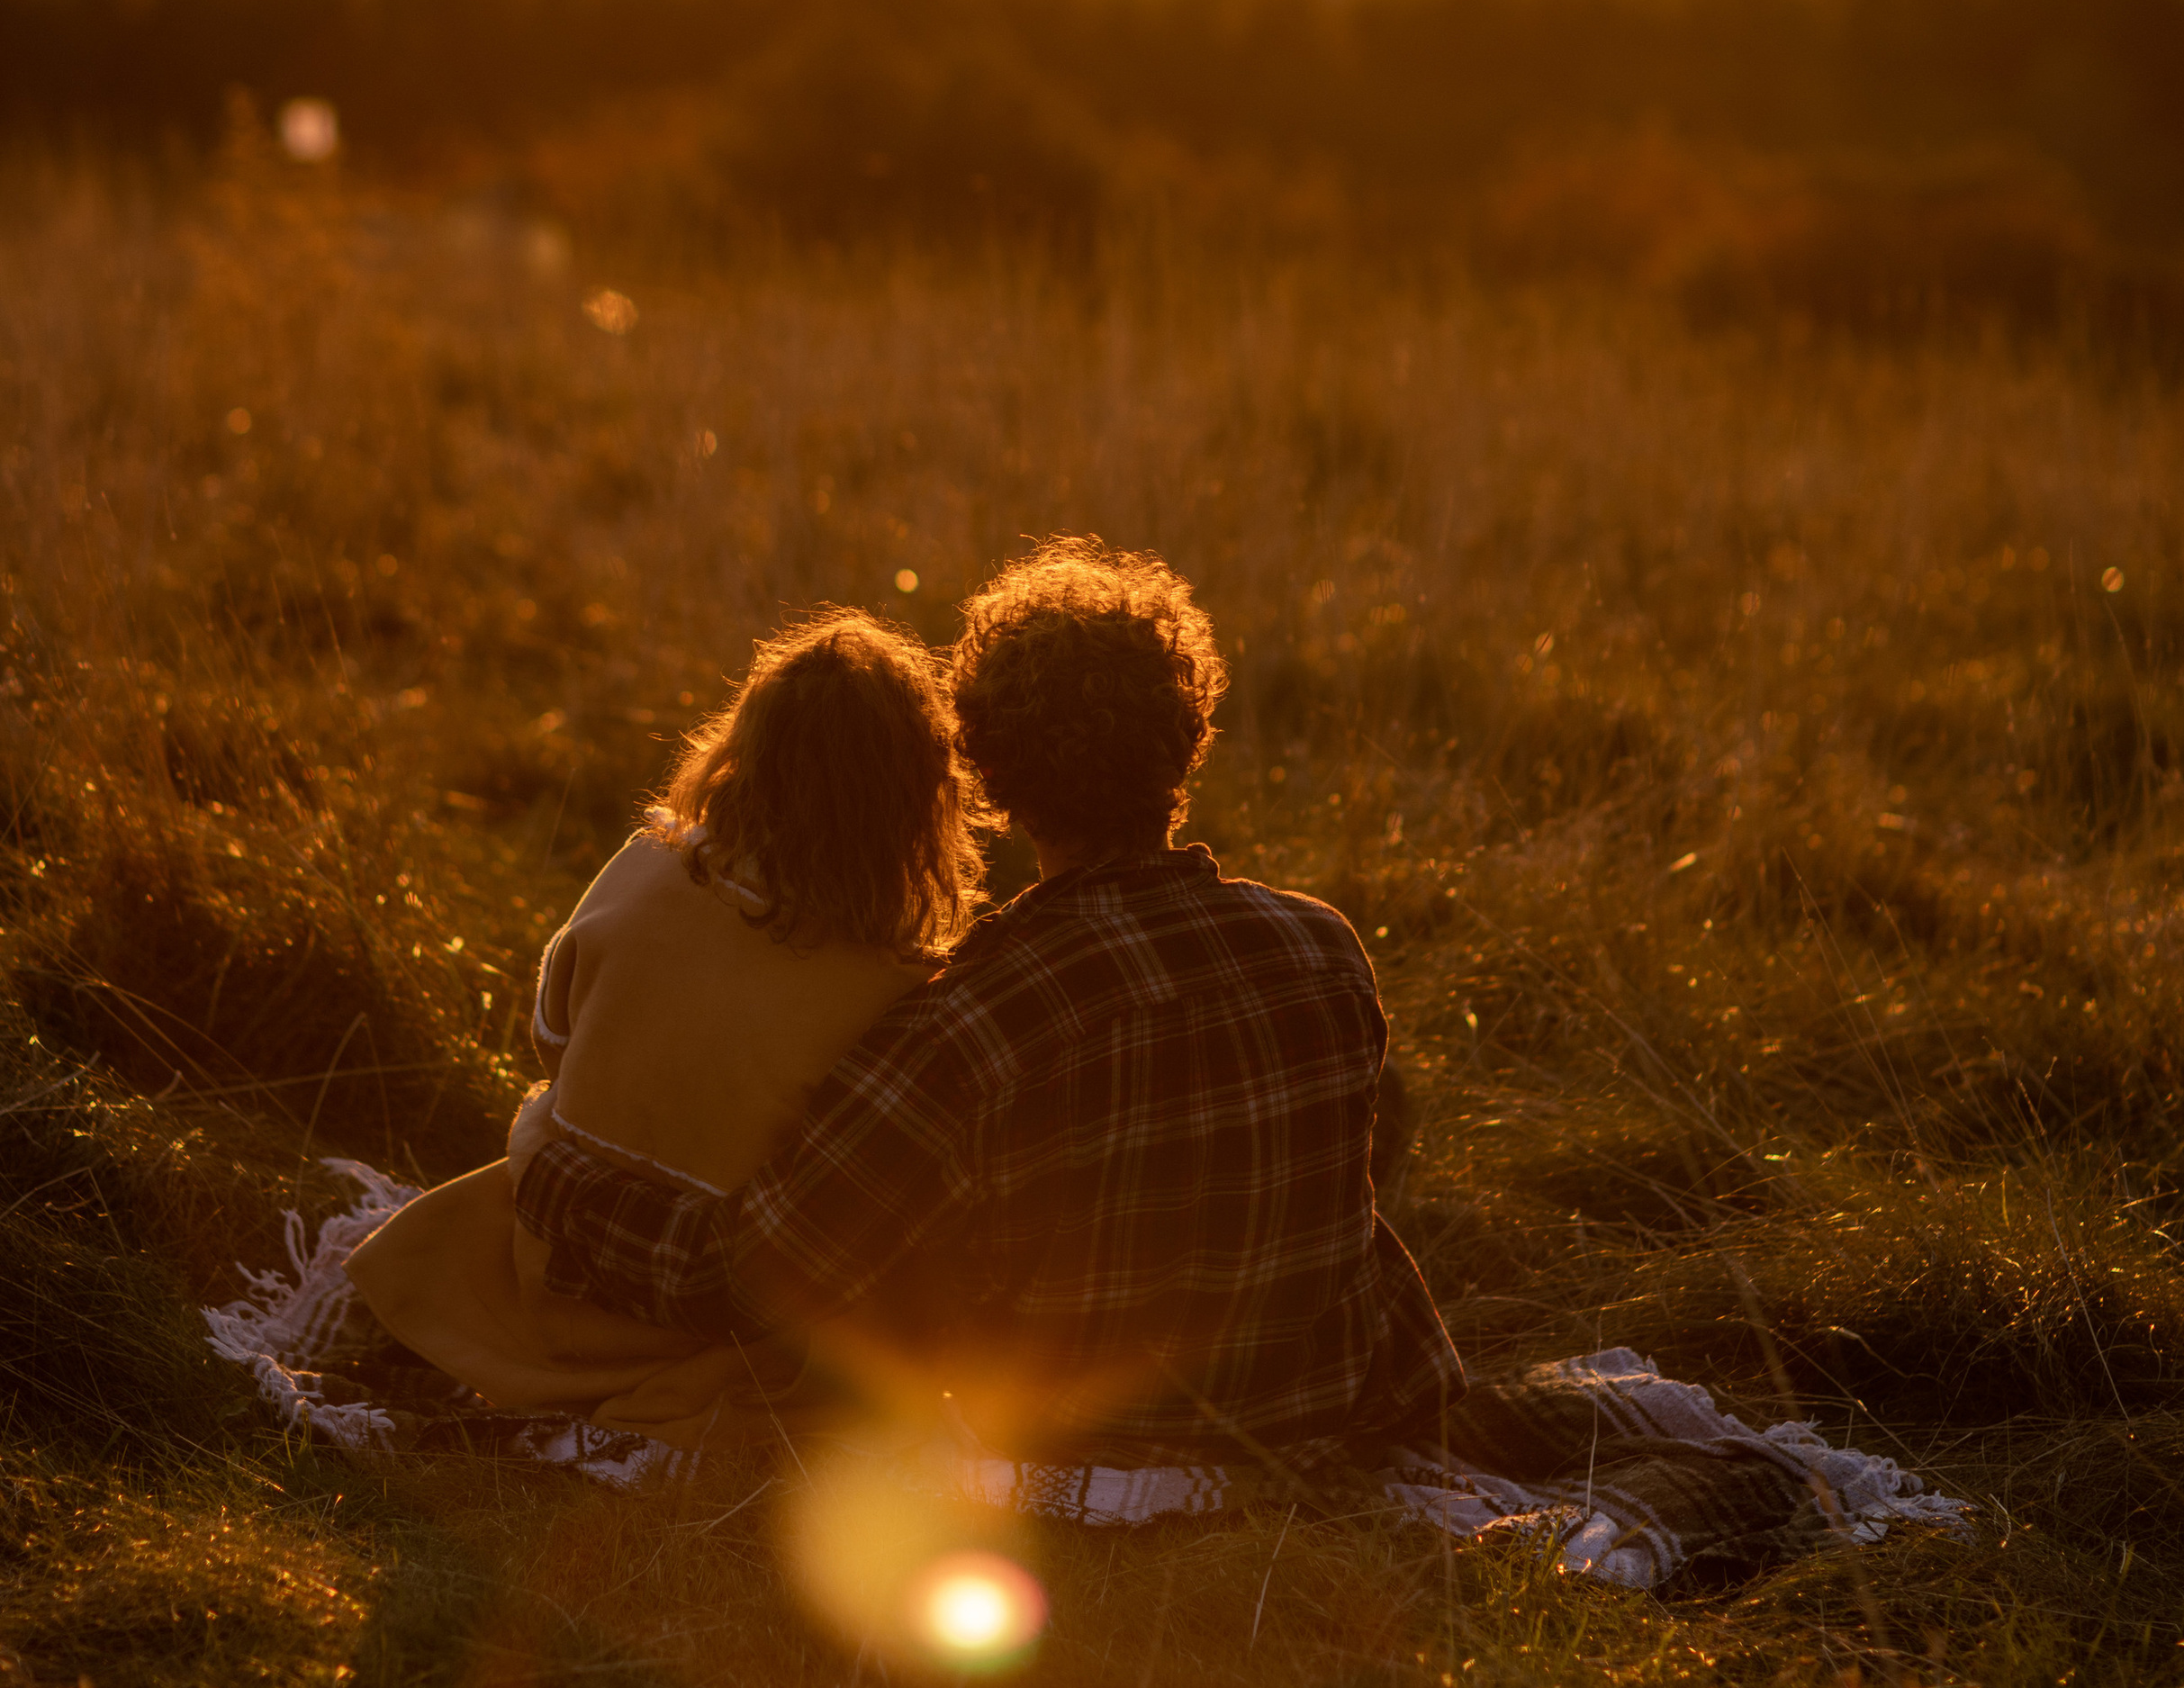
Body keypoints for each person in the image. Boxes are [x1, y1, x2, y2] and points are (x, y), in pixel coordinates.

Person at [514, 537, 1463, 1460]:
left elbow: (749, 1275)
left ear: (983, 769)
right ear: (1190, 736)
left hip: (1082, 1450)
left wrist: (550, 1171)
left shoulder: (969, 1018)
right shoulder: (1322, 947)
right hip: (1323, 1421)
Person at [347, 607, 979, 1421]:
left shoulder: (648, 865)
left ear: (741, 753)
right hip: (699, 1316)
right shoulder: (893, 987)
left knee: (523, 1153)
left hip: (544, 1254)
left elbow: (550, 1039)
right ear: (916, 803)